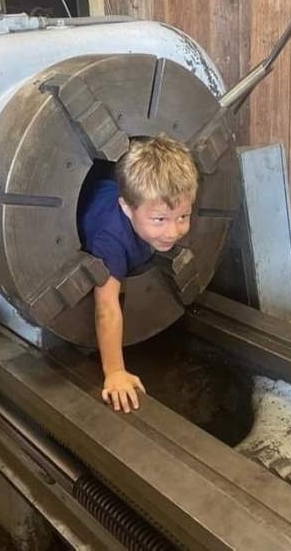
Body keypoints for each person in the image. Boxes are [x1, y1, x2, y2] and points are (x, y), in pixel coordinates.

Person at [79, 134, 198, 413]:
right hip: (96, 202)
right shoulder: (110, 240)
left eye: (183, 216)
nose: (173, 231)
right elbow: (107, 308)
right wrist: (115, 372)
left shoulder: (149, 211)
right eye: (160, 220)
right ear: (126, 208)